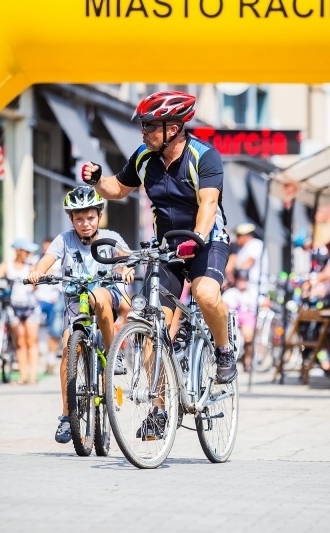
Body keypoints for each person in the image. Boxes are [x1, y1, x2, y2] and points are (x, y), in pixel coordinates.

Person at [81, 89, 238, 397]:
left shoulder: (204, 156)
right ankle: (159, 408)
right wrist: (98, 178)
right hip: (166, 246)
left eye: (150, 125)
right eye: (143, 124)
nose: (144, 131)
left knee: (204, 293)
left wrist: (197, 239)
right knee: (155, 326)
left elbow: (208, 204)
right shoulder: (143, 158)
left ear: (174, 127)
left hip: (207, 241)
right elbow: (116, 190)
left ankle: (223, 350)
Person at [27, 186, 134, 444]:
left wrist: (127, 268)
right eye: (78, 219)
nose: (84, 224)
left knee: (98, 296)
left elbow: (126, 257)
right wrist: (36, 272)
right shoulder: (64, 240)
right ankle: (67, 415)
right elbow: (47, 260)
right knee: (68, 350)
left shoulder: (111, 236)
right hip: (76, 300)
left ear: (99, 216)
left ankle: (113, 353)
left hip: (107, 293)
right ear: (71, 219)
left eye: (90, 218)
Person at [0, 238, 41, 385]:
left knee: (31, 341)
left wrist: (35, 282)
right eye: (26, 251)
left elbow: (36, 287)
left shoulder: (31, 266)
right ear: (18, 251)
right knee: (19, 342)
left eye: (29, 252)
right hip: (13, 307)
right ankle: (23, 376)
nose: (28, 254)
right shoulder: (7, 266)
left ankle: (32, 377)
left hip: (30, 307)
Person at [36, 236, 64, 375]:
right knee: (35, 329)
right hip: (39, 299)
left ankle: (51, 359)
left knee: (54, 331)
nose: (46, 249)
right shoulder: (37, 261)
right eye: (44, 246)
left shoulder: (59, 262)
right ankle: (40, 358)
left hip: (54, 299)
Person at [222, 269, 258, 372]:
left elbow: (263, 302)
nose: (243, 283)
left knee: (248, 336)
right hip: (233, 317)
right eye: (241, 280)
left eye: (245, 280)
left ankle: (247, 360)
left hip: (247, 317)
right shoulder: (230, 293)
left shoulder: (252, 293)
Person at [228, 223, 268, 293]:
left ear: (245, 236)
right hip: (243, 287)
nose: (237, 239)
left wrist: (235, 274)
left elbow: (247, 264)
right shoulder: (241, 249)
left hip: (254, 287)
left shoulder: (255, 244)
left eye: (238, 236)